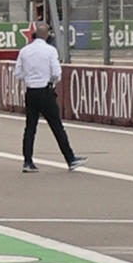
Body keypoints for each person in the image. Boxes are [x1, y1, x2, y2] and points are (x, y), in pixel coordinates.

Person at [15, 26, 84, 172]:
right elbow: (57, 73)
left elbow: (18, 74)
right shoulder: (50, 50)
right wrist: (50, 81)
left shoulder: (24, 50)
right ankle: (70, 158)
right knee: (57, 127)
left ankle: (27, 161)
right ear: (47, 36)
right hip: (45, 91)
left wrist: (30, 78)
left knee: (30, 128)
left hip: (31, 92)